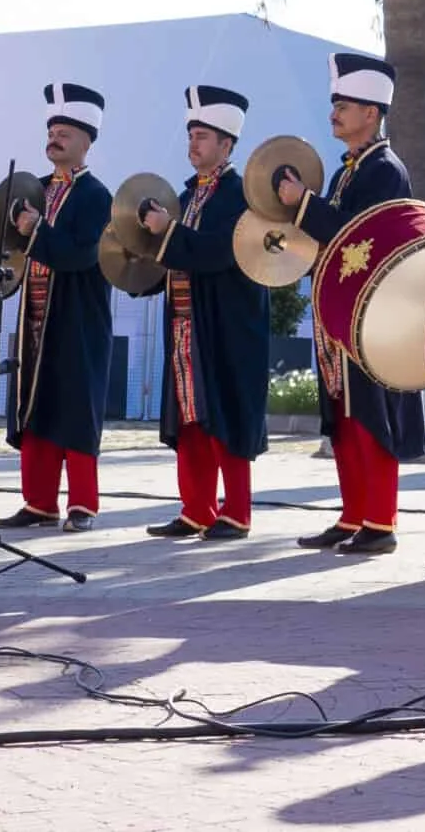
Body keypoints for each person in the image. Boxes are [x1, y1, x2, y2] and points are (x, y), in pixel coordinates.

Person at [275, 52, 425, 554]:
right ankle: (352, 515)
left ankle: (380, 522)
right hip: (339, 312)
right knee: (342, 416)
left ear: (372, 112)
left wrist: (303, 204)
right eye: (335, 102)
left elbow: (355, 237)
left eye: (345, 104)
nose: (335, 111)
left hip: (370, 315)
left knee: (370, 415)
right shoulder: (350, 170)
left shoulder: (384, 169)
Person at [138, 84, 269, 541]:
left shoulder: (239, 194)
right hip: (185, 320)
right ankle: (196, 508)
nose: (193, 144)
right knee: (191, 417)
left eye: (203, 136)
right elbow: (173, 251)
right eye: (191, 134)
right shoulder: (187, 193)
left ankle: (236, 512)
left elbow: (221, 251)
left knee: (225, 412)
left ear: (227, 144)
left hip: (225, 323)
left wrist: (168, 232)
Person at [0, 81, 114, 530]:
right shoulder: (35, 188)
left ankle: (83, 503)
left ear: (86, 141)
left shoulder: (97, 196)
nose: (56, 137)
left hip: (78, 318)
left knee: (76, 406)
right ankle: (39, 502)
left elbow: (83, 254)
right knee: (36, 403)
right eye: (52, 129)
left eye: (66, 130)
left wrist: (37, 231)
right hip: (34, 315)